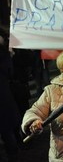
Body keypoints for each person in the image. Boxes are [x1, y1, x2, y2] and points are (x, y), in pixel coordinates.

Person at [0, 28, 21, 162]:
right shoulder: (2, 53)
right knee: (7, 129)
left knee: (7, 129)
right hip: (3, 95)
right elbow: (9, 71)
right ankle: (13, 154)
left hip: (3, 96)